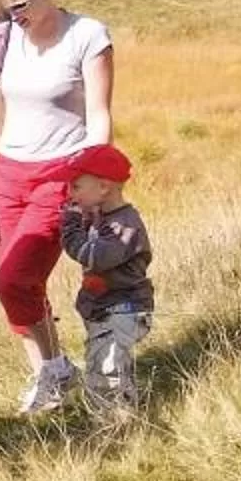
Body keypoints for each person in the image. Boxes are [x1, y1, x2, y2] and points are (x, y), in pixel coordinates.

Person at [0, 0, 115, 413]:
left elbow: (99, 115)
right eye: (5, 4)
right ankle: (49, 372)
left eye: (20, 3)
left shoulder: (88, 36)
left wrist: (95, 182)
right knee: (13, 282)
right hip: (7, 175)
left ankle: (53, 370)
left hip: (60, 174)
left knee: (14, 279)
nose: (13, 13)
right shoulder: (9, 35)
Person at [58, 142, 153, 414]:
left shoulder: (124, 226)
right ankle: (119, 413)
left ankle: (115, 425)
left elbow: (93, 257)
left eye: (76, 187)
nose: (70, 194)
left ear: (103, 187)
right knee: (104, 364)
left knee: (106, 369)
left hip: (124, 308)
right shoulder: (102, 218)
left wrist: (70, 227)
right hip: (105, 308)